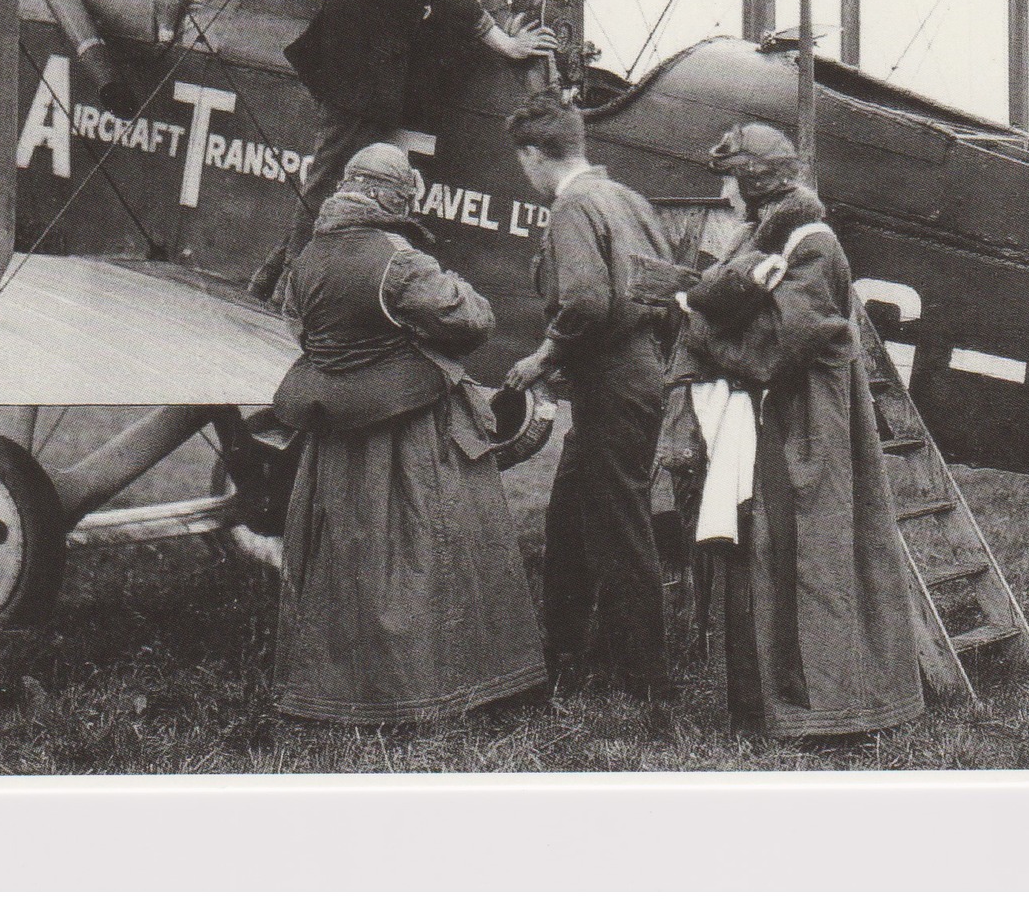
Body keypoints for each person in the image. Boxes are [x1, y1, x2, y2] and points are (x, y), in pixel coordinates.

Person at [270, 143, 547, 723]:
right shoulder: (398, 258)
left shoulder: (307, 256)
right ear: (389, 196)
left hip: (335, 431)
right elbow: (471, 319)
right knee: (430, 549)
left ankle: (333, 690)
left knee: (344, 556)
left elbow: (300, 330)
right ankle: (428, 690)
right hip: (408, 424)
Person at [665, 123, 924, 738]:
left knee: (809, 552)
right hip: (776, 417)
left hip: (806, 423)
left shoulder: (812, 244)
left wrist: (696, 321)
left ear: (753, 184)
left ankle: (829, 709)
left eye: (729, 182)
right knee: (767, 550)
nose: (724, 196)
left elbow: (777, 342)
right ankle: (769, 703)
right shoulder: (774, 239)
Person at [250, 0, 556, 300]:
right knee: (330, 174)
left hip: (343, 55)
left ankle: (271, 276)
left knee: (337, 169)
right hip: (359, 69)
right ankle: (291, 288)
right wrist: (506, 44)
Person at [502, 92, 696, 697]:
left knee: (619, 525)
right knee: (568, 522)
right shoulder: (625, 198)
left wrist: (544, 355)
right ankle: (562, 654)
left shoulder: (573, 207)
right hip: (634, 378)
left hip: (611, 383)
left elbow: (585, 300)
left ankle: (646, 680)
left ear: (534, 154)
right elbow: (669, 284)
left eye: (522, 160)